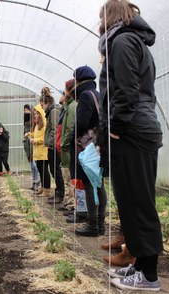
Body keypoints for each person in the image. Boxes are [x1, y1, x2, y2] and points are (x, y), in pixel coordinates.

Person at [98, 0, 163, 291]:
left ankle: (149, 276)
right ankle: (138, 267)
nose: (98, 24)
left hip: (132, 130)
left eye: (101, 17)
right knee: (133, 201)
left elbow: (126, 90)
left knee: (138, 204)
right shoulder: (134, 41)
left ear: (110, 17)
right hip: (138, 127)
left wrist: (117, 128)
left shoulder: (123, 41)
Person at [70, 65, 107, 237]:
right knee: (98, 183)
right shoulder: (98, 94)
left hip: (87, 147)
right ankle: (100, 225)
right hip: (98, 144)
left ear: (78, 81)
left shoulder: (85, 95)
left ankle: (93, 226)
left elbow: (82, 123)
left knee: (88, 183)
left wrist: (73, 137)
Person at [41, 87, 65, 204]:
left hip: (54, 146)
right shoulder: (50, 112)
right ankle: (58, 192)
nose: (42, 108)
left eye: (42, 105)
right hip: (52, 145)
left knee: (56, 170)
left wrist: (53, 144)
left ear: (47, 103)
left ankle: (60, 194)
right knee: (54, 170)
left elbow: (55, 130)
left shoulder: (54, 112)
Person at [57, 80, 77, 212]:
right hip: (64, 149)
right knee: (67, 177)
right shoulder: (65, 109)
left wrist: (64, 144)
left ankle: (72, 205)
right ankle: (69, 202)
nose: (61, 95)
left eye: (63, 92)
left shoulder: (71, 107)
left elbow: (69, 129)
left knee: (69, 178)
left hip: (67, 149)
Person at [26, 106, 50, 197]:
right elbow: (35, 135)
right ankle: (43, 188)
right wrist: (29, 134)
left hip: (43, 153)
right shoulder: (36, 125)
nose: (35, 115)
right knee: (40, 171)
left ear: (41, 114)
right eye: (34, 113)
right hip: (38, 153)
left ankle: (47, 190)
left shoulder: (44, 125)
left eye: (37, 113)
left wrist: (35, 141)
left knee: (44, 171)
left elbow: (44, 138)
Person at [23, 104, 39, 191]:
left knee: (34, 165)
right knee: (32, 165)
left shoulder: (34, 121)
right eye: (24, 110)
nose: (25, 112)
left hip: (34, 144)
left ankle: (36, 182)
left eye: (26, 110)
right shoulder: (25, 122)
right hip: (28, 146)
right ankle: (34, 182)